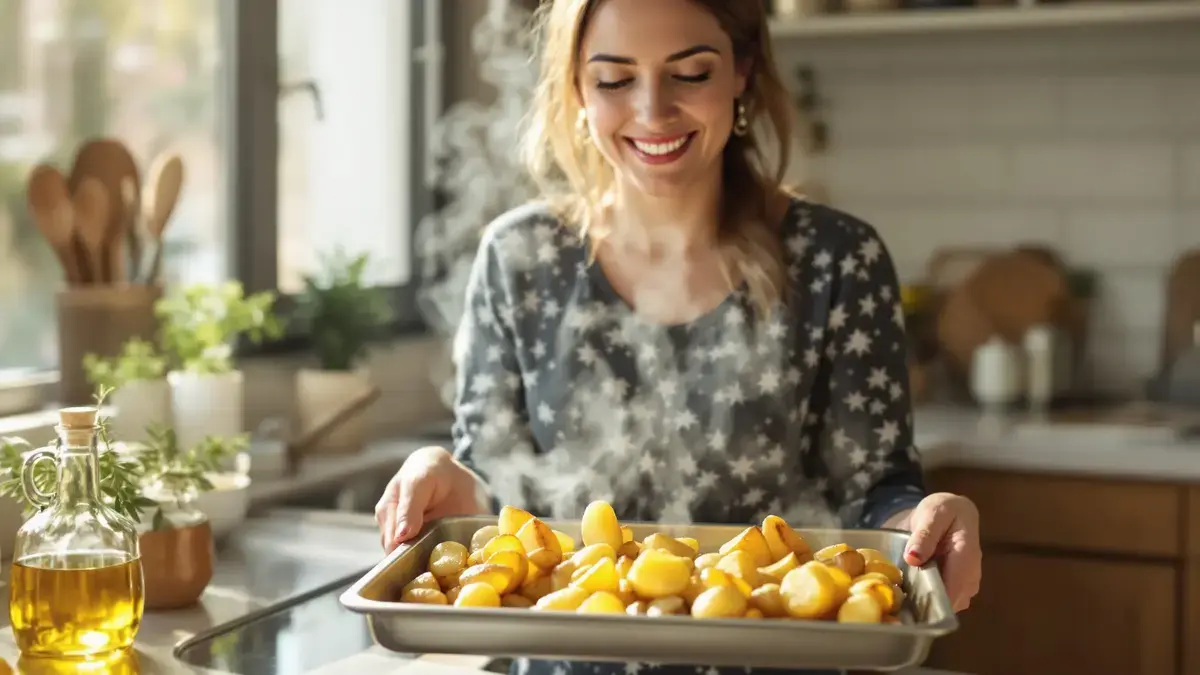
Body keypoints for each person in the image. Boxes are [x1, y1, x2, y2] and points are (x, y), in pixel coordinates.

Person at [376, 1, 982, 674]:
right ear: (576, 88)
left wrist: (925, 519)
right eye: (614, 80)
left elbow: (877, 495)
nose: (652, 110)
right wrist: (450, 483)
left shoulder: (838, 259)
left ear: (742, 72)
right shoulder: (519, 258)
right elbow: (492, 488)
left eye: (690, 73)